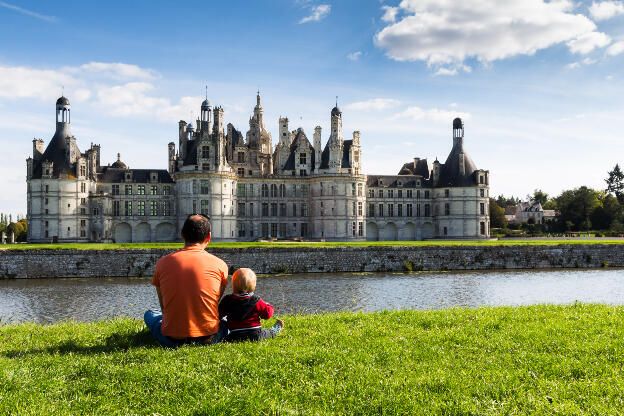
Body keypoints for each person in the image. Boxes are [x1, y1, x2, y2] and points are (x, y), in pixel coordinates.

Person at [144, 214, 229, 347]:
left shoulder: (162, 263)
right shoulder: (220, 265)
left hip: (171, 339)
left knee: (150, 314)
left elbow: (164, 306)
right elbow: (214, 301)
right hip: (208, 338)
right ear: (209, 237)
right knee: (226, 320)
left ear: (182, 234)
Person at [219, 268, 284, 342]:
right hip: (255, 334)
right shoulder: (256, 300)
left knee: (225, 335)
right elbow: (267, 315)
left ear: (233, 285)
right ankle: (274, 330)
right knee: (268, 333)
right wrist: (269, 306)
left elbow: (219, 314)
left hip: (234, 335)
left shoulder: (227, 300)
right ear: (253, 286)